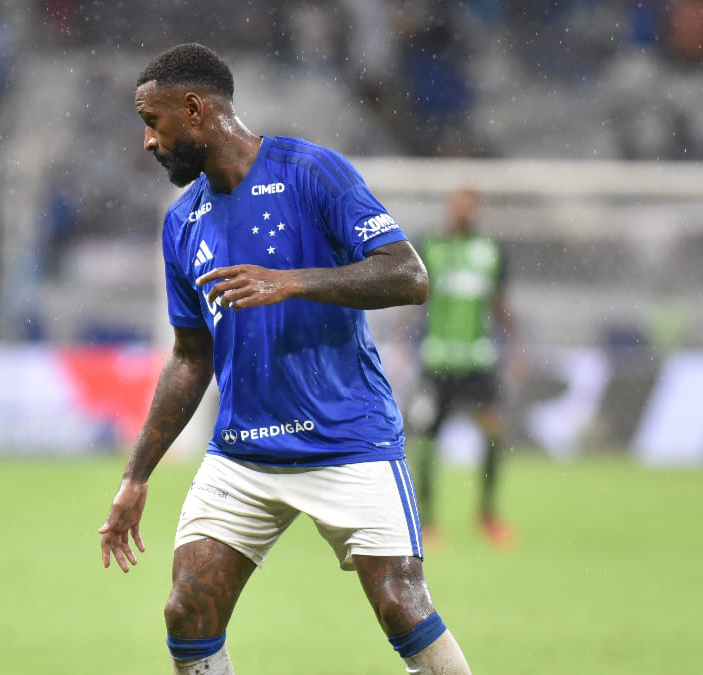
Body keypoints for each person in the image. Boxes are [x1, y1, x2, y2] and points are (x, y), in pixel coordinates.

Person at [98, 43, 472, 674]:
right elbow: (190, 357)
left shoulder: (311, 173)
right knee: (187, 610)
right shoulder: (182, 221)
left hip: (348, 438)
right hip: (244, 453)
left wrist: (291, 281)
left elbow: (409, 276)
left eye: (153, 122)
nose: (148, 141)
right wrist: (136, 476)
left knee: (401, 604)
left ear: (194, 109)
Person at [412, 186, 519, 549]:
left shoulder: (490, 250)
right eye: (458, 205)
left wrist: (516, 348)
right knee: (427, 439)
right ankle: (427, 521)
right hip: (437, 360)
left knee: (493, 431)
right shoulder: (429, 247)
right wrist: (399, 343)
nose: (464, 212)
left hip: (477, 360)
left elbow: (500, 302)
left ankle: (487, 514)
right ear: (449, 208)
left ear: (477, 210)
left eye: (470, 207)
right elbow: (412, 298)